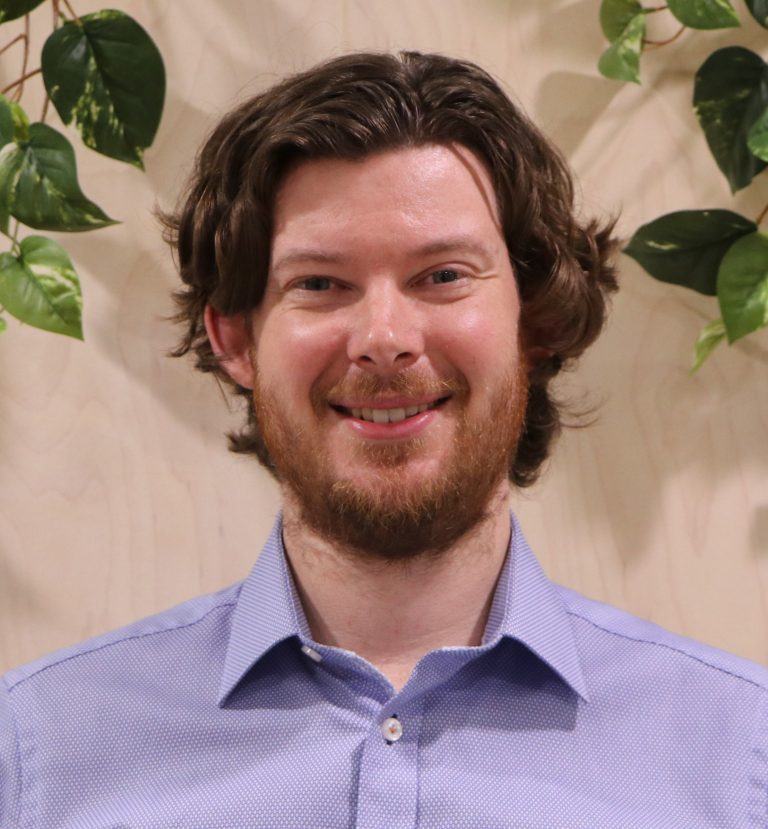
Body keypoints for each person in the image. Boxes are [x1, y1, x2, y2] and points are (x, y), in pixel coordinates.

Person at [1, 51, 766, 828]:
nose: (385, 339)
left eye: (443, 275)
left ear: (534, 318)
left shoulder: (740, 759)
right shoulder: (35, 757)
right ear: (234, 337)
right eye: (318, 283)